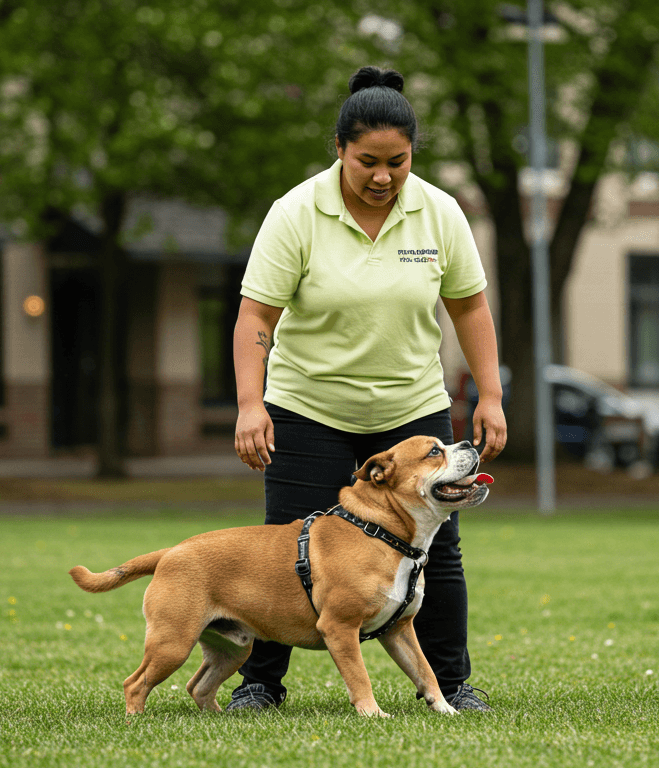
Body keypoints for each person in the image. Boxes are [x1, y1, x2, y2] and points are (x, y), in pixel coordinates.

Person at [229, 65, 507, 712]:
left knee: (437, 554)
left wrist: (489, 395)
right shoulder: (296, 213)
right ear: (339, 151)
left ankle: (451, 685)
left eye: (398, 162)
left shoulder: (439, 212)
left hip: (410, 409)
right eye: (367, 162)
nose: (383, 176)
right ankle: (260, 686)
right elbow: (256, 317)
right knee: (281, 548)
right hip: (308, 407)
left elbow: (469, 308)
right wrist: (251, 403)